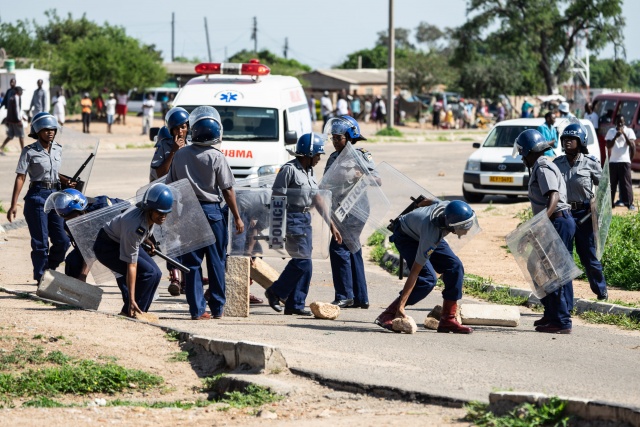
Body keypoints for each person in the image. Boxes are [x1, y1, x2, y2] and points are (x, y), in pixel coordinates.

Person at [165, 106, 244, 320]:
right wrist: (237, 216)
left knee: (191, 264)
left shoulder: (180, 155)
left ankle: (197, 310)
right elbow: (227, 190)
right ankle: (218, 308)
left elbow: (171, 187)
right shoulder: (216, 157)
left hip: (188, 213)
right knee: (216, 261)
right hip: (212, 213)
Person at [264, 132, 339, 316]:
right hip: (291, 218)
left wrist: (332, 225)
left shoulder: (309, 171)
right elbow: (277, 198)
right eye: (317, 154)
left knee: (307, 264)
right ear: (308, 153)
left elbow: (318, 199)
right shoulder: (289, 170)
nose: (319, 159)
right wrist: (277, 230)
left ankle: (295, 304)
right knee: (302, 261)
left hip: (305, 220)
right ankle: (275, 292)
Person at [374, 200, 476, 334]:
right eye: (464, 226)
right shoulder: (431, 236)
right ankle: (389, 313)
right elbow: (415, 273)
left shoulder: (448, 208)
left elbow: (429, 201)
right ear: (452, 226)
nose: (468, 230)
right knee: (427, 279)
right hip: (407, 237)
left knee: (455, 266)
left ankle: (448, 320)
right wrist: (401, 306)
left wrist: (419, 204)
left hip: (422, 230)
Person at [514, 129, 574, 334]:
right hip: (552, 221)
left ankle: (562, 320)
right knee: (535, 265)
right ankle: (551, 313)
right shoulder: (541, 165)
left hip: (557, 221)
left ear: (531, 151)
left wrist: (540, 224)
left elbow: (554, 197)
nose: (522, 157)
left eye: (523, 153)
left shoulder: (542, 166)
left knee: (553, 272)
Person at [6, 112, 73, 282]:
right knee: (40, 243)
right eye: (46, 129)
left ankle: (48, 269)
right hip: (37, 197)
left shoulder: (58, 148)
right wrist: (13, 204)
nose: (50, 132)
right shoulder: (29, 151)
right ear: (37, 131)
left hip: (56, 197)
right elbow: (20, 177)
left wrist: (66, 181)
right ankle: (41, 277)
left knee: (63, 240)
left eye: (52, 129)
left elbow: (54, 173)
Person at [93, 183, 173, 317]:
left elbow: (141, 231)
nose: (163, 216)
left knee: (156, 274)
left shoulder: (146, 215)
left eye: (166, 213)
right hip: (107, 248)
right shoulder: (134, 226)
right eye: (159, 213)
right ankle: (129, 311)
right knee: (147, 274)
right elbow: (132, 266)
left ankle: (141, 312)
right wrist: (131, 299)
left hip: (122, 240)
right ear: (150, 210)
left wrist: (145, 239)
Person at [553, 123, 608, 301]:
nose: (567, 142)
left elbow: (604, 187)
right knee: (564, 257)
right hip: (564, 214)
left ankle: (601, 291)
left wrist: (596, 203)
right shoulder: (556, 164)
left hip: (584, 215)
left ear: (581, 141)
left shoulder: (590, 163)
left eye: (572, 139)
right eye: (565, 139)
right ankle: (565, 299)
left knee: (589, 256)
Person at [323, 116, 374, 309]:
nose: (335, 142)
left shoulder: (360, 155)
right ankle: (361, 297)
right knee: (352, 248)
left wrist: (359, 176)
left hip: (356, 208)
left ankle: (345, 295)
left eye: (339, 138)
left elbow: (376, 178)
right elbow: (326, 183)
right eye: (334, 138)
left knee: (338, 248)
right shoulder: (333, 158)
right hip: (339, 210)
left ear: (350, 137)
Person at [149, 106, 189, 297]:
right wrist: (174, 150)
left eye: (184, 127)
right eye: (177, 128)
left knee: (188, 240)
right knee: (171, 239)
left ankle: (187, 279)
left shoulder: (191, 145)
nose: (181, 131)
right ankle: (174, 277)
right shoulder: (165, 146)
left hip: (186, 199)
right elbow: (160, 173)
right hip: (168, 199)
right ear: (171, 129)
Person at [46, 189, 124, 281]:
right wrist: (82, 276)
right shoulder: (69, 225)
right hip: (100, 244)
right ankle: (74, 291)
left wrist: (83, 274)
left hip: (122, 240)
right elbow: (86, 250)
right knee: (73, 260)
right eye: (66, 219)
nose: (73, 222)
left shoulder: (103, 208)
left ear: (82, 209)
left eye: (74, 218)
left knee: (121, 266)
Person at [605, 115, 636, 211]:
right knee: (612, 184)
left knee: (626, 184)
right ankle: (610, 203)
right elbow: (608, 145)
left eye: (621, 122)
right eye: (618, 122)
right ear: (615, 122)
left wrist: (624, 135)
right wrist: (616, 136)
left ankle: (629, 203)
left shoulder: (629, 131)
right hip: (613, 161)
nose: (620, 124)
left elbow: (631, 145)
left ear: (624, 122)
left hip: (624, 161)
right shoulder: (611, 132)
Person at [0, 86, 25, 153]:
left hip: (11, 121)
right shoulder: (16, 98)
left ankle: (1, 147)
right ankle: (23, 151)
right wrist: (19, 120)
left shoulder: (12, 98)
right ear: (18, 91)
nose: (22, 92)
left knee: (10, 135)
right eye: (21, 91)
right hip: (16, 121)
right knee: (21, 135)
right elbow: (16, 110)